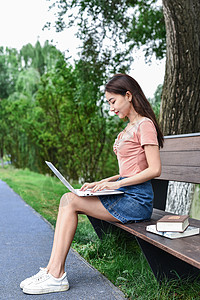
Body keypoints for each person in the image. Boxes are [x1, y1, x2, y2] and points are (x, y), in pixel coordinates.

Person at [20, 73, 163, 295]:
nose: (111, 108)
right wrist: (103, 182)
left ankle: (56, 275)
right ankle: (51, 270)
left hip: (136, 200)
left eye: (112, 101)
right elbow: (127, 172)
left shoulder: (145, 125)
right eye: (109, 103)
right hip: (125, 193)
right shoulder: (127, 129)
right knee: (68, 198)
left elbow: (154, 169)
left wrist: (116, 185)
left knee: (70, 201)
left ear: (128, 95)